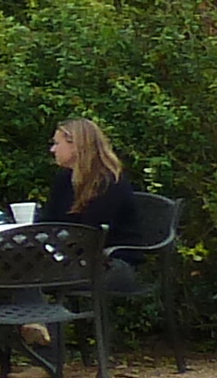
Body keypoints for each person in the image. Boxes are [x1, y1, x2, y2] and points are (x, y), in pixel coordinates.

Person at [35, 116, 151, 287]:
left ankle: (38, 311)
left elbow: (93, 232)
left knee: (34, 274)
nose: (53, 149)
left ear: (75, 146)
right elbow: (50, 221)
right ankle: (31, 311)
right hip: (74, 257)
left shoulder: (109, 182)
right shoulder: (64, 179)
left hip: (111, 262)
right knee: (22, 268)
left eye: (57, 143)